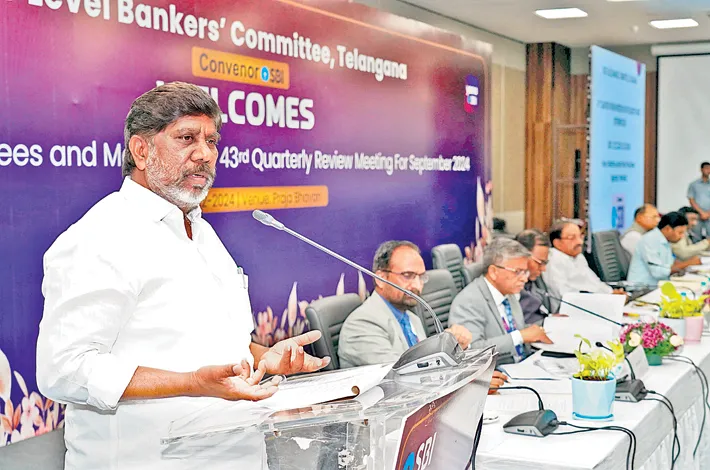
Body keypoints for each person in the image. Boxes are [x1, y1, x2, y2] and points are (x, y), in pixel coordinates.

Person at [36, 82, 330, 470]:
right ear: (141, 151)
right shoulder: (100, 237)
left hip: (237, 455)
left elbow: (204, 343)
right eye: (187, 138)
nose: (204, 154)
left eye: (212, 141)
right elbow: (64, 369)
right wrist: (192, 383)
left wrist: (263, 357)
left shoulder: (201, 231)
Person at [337, 240, 473, 368]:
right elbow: (400, 372)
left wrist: (455, 345)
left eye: (421, 277)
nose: (417, 285)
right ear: (381, 279)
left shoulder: (411, 317)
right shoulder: (361, 324)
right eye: (407, 275)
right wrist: (443, 348)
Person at [448, 238, 552, 365]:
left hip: (524, 365)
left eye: (525, 272)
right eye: (518, 272)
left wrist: (534, 331)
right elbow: (471, 350)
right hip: (497, 371)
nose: (524, 279)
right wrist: (520, 336)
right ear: (493, 272)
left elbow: (512, 329)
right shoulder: (469, 301)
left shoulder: (509, 292)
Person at [544, 220, 625, 296]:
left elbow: (595, 283)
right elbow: (564, 295)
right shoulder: (554, 260)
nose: (580, 242)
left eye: (580, 236)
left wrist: (611, 293)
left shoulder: (578, 257)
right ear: (557, 243)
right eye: (572, 238)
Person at [627, 212, 701, 285]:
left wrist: (688, 268)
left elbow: (670, 264)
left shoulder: (665, 241)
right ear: (668, 229)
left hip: (657, 285)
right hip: (642, 287)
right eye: (680, 233)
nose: (682, 236)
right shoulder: (650, 240)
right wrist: (688, 263)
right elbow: (658, 272)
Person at [514, 229, 560, 325]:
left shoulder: (535, 279)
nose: (543, 269)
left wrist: (551, 318)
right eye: (540, 263)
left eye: (545, 263)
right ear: (522, 256)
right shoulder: (509, 283)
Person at [688, 161, 710, 239]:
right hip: (697, 214)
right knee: (696, 237)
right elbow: (691, 199)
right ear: (701, 169)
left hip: (709, 215)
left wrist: (708, 213)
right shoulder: (694, 184)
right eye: (706, 168)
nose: (708, 170)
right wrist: (701, 212)